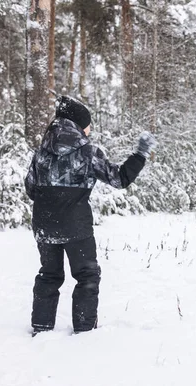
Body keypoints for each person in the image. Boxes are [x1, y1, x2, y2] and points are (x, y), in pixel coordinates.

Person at [25, 95, 156, 335]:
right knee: (87, 276)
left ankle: (41, 327)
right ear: (77, 124)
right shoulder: (87, 152)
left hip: (44, 225)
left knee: (49, 275)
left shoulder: (41, 151)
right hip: (77, 228)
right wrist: (139, 155)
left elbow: (31, 188)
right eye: (88, 124)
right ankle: (84, 331)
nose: (90, 129)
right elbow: (119, 179)